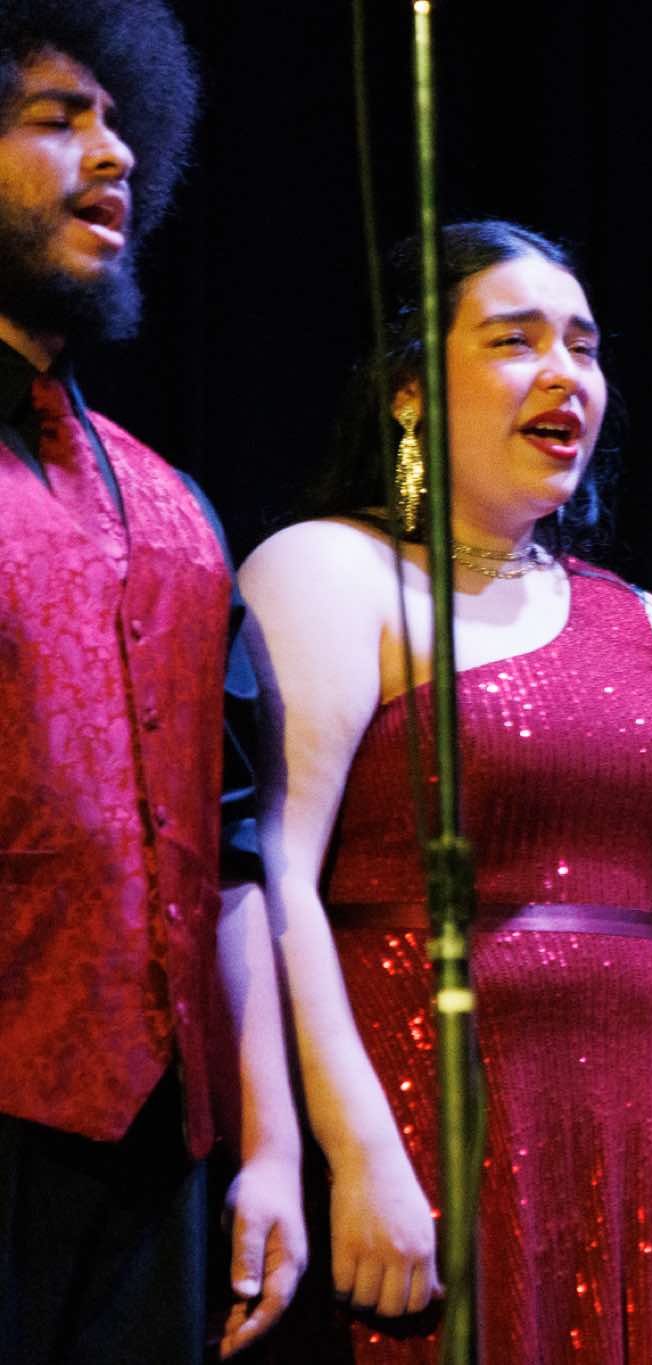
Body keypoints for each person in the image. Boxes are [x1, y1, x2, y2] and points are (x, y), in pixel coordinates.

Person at [238, 220, 652, 1363]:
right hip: (435, 1125)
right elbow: (272, 873)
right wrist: (357, 1151)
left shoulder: (649, 626)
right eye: (513, 340)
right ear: (409, 392)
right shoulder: (334, 571)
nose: (563, 374)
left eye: (583, 347)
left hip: (647, 1147)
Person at [0, 2, 308, 1360]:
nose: (113, 154)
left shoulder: (176, 511)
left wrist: (270, 1148)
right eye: (58, 118)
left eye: (123, 124)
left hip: (147, 1161)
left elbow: (232, 851)